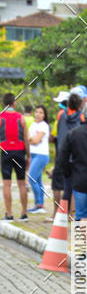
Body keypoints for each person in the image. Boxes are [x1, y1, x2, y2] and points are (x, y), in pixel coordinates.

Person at [51, 91, 82, 220]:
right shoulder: (81, 117)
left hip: (63, 155)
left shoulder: (61, 116)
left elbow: (56, 135)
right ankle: (71, 213)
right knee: (75, 187)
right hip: (76, 156)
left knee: (66, 186)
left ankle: (61, 214)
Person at [0, 93, 30, 222]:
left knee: (6, 184)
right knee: (21, 183)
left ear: (3, 104)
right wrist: (28, 155)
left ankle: (9, 214)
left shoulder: (0, 117)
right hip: (19, 152)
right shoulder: (21, 118)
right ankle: (24, 213)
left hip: (6, 152)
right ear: (14, 103)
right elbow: (26, 139)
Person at [27, 105, 50, 214]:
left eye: (41, 112)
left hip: (41, 155)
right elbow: (29, 139)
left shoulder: (44, 125)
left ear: (44, 115)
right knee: (39, 181)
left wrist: (31, 139)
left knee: (31, 178)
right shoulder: (33, 125)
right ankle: (41, 206)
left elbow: (36, 140)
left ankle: (38, 204)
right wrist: (32, 139)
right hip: (33, 154)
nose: (38, 114)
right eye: (36, 112)